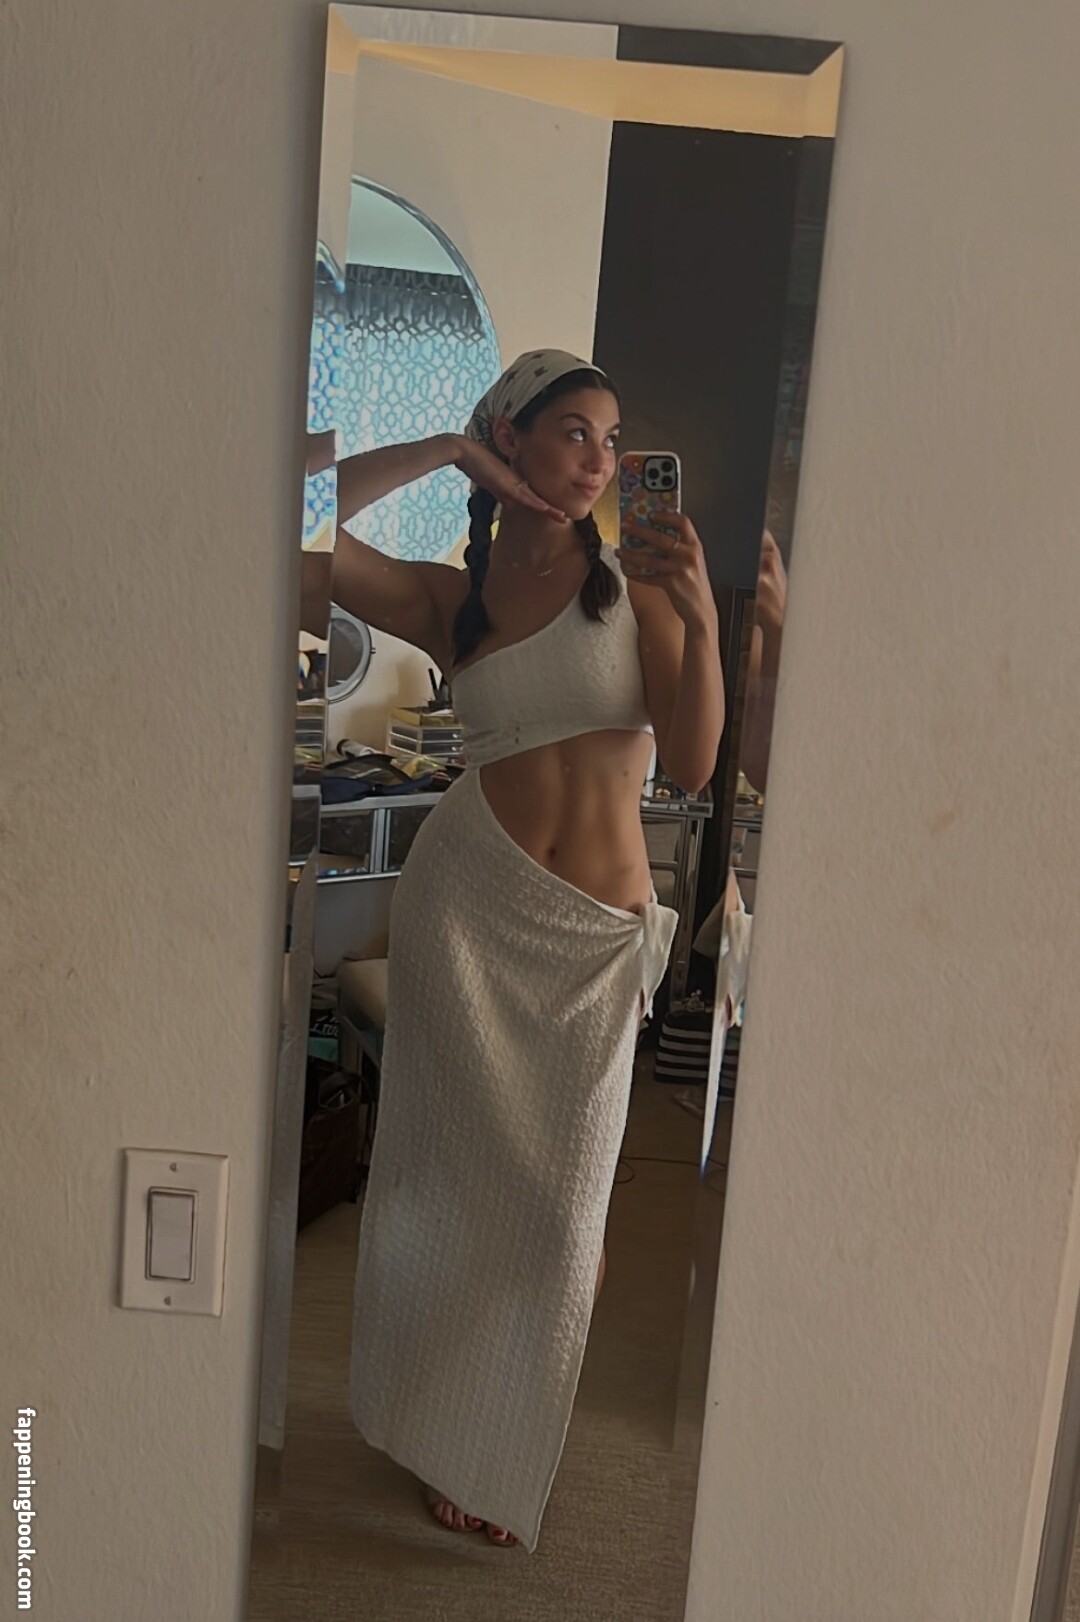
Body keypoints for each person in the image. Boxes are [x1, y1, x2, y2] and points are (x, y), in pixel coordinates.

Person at [308, 350, 725, 1550]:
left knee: (561, 1214)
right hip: (466, 910)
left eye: (612, 438)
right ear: (512, 438)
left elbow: (694, 764)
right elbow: (296, 511)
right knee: (445, 1183)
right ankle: (446, 1428)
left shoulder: (633, 586)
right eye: (575, 431)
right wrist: (445, 448)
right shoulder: (459, 602)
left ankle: (501, 1435)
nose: (601, 458)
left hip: (590, 942)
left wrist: (700, 615)